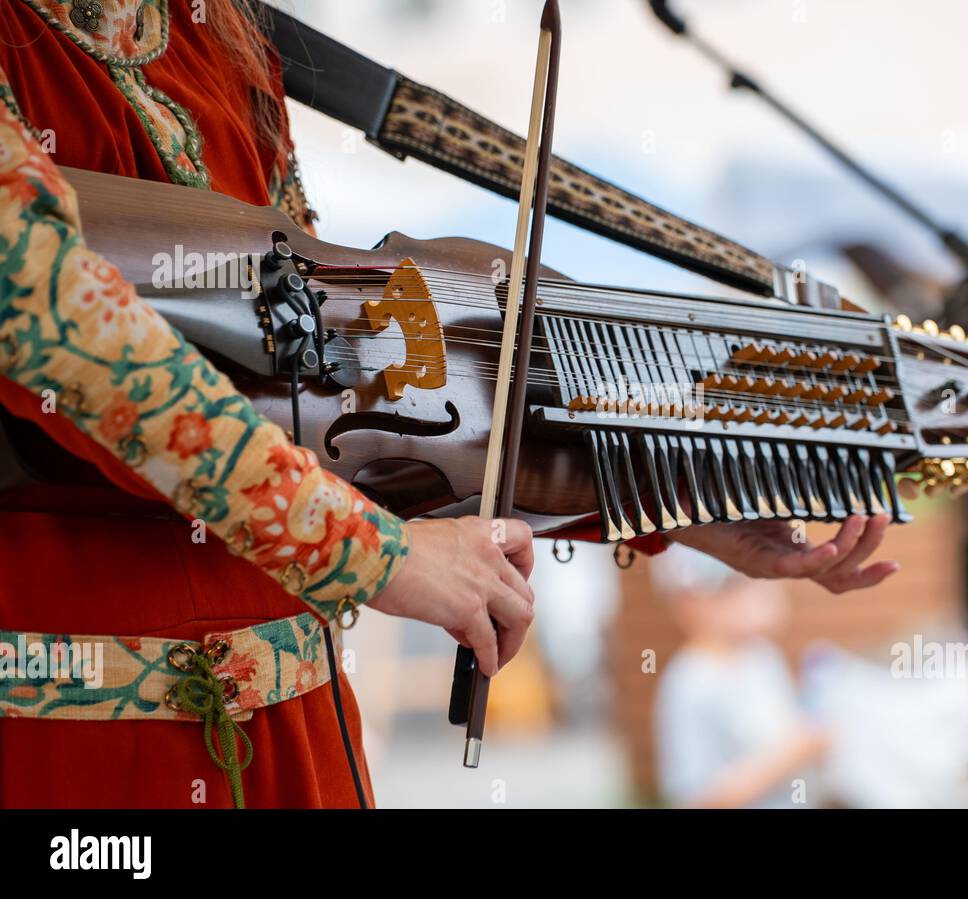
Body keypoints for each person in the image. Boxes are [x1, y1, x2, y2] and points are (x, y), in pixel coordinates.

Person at [0, 0, 897, 808]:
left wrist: (658, 490)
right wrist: (372, 555)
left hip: (299, 733)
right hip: (74, 749)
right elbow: (47, 308)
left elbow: (349, 394)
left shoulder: (217, 34)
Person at [652, 544, 894, 808]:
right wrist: (792, 753)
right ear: (687, 604)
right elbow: (695, 800)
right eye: (733, 587)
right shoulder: (690, 684)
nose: (753, 595)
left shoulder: (761, 656)